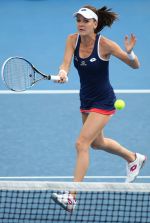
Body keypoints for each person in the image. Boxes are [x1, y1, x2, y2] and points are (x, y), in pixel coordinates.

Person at [51, 5, 146, 212]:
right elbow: (65, 63)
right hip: (85, 99)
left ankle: (71, 196)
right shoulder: (71, 40)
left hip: (103, 101)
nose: (81, 24)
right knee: (97, 143)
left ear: (95, 23)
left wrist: (129, 54)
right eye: (78, 20)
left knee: (81, 143)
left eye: (85, 21)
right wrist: (63, 72)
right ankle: (133, 158)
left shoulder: (105, 45)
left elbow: (135, 66)